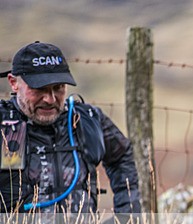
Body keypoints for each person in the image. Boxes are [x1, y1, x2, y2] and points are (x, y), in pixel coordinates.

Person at [0, 41, 140, 214]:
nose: (50, 99)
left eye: (58, 88)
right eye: (39, 89)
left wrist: (126, 218)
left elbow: (123, 157)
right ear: (14, 83)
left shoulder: (87, 120)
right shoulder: (3, 125)